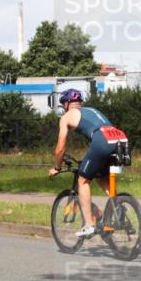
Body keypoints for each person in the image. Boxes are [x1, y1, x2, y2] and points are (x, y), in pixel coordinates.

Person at [48, 89, 128, 237]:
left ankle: (89, 225)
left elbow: (60, 149)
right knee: (102, 178)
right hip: (121, 138)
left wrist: (57, 167)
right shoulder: (91, 110)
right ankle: (118, 209)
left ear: (66, 104)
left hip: (103, 141)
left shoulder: (66, 117)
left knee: (83, 180)